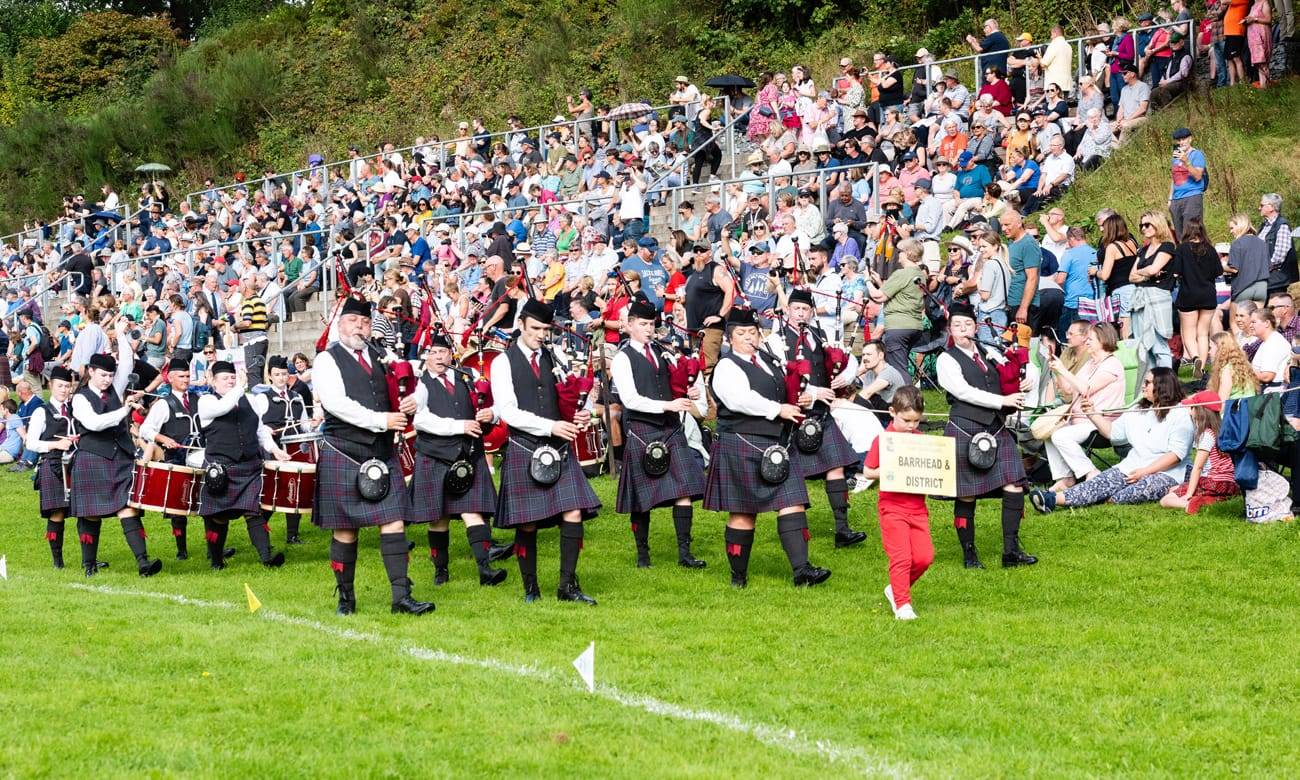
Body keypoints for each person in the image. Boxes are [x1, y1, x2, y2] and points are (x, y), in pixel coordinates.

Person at [312, 296, 434, 616]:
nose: (360, 327)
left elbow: (417, 385)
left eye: (365, 322)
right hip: (345, 451)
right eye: (353, 321)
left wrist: (412, 403)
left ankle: (401, 598)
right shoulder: (327, 359)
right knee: (346, 529)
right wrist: (382, 420)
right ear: (340, 325)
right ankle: (346, 598)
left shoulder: (382, 356)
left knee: (393, 522)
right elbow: (336, 403)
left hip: (381, 452)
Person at [704, 307, 831, 589]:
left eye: (752, 332)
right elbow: (740, 400)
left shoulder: (768, 360)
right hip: (741, 441)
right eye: (741, 333)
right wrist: (778, 410)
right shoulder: (727, 366)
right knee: (742, 512)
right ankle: (738, 576)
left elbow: (786, 389)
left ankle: (802, 571)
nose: (748, 338)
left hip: (776, 443)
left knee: (792, 502)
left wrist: (805, 399)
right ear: (729, 339)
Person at [491, 299, 602, 604]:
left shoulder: (555, 357)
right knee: (527, 521)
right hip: (524, 447)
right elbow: (507, 411)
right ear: (521, 325)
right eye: (536, 328)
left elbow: (575, 394)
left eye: (545, 329)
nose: (541, 335)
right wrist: (550, 426)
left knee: (574, 512)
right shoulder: (502, 363)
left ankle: (567, 586)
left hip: (559, 448)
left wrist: (581, 412)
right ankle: (531, 588)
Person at [936, 303, 1037, 569]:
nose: (962, 330)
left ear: (976, 326)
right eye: (957, 326)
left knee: (1014, 486)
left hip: (996, 428)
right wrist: (1003, 400)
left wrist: (1025, 380)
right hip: (965, 427)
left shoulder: (989, 351)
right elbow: (964, 392)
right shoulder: (946, 359)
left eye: (967, 324)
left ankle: (1011, 551)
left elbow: (1016, 368)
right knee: (966, 495)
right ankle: (969, 554)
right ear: (950, 330)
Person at [610, 300, 708, 569]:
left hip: (670, 427)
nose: (648, 329)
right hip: (642, 428)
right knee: (641, 499)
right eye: (642, 324)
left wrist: (686, 393)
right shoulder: (622, 358)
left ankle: (685, 553)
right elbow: (630, 400)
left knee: (684, 489)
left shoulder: (664, 353)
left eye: (651, 324)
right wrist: (668, 405)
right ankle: (643, 555)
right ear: (629, 326)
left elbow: (673, 384)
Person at [767, 288, 866, 547]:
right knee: (793, 473)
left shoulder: (820, 334)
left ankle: (843, 529)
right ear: (787, 310)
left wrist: (848, 375)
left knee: (836, 467)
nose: (800, 313)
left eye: (805, 309)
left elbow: (847, 357)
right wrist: (812, 391)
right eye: (796, 309)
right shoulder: (778, 341)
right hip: (795, 415)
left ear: (811, 312)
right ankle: (797, 533)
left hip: (822, 414)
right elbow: (780, 376)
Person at [408, 332, 509, 587]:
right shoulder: (419, 384)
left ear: (450, 354)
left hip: (468, 454)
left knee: (473, 511)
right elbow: (420, 420)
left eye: (441, 351)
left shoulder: (468, 376)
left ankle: (485, 569)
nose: (437, 357)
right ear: (425, 357)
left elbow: (496, 402)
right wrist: (460, 426)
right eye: (432, 352)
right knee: (438, 517)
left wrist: (492, 414)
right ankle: (441, 570)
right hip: (435, 455)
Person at [69, 323, 163, 578]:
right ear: (91, 372)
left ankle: (143, 562)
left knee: (128, 507)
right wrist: (124, 410)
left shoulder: (114, 389)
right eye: (103, 375)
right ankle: (89, 565)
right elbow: (94, 424)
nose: (108, 380)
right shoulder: (79, 398)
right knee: (90, 515)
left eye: (111, 376)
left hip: (119, 458)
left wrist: (120, 333)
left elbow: (128, 365)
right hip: (92, 458)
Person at [1032, 368, 1193, 511]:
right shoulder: (1138, 410)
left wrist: (1144, 472)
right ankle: (1050, 500)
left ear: (1163, 386)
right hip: (1132, 466)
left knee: (1121, 496)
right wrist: (1092, 413)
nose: (1143, 385)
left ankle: (1100, 499)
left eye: (1148, 382)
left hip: (1168, 473)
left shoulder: (1180, 414)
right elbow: (1112, 433)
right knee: (1099, 483)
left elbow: (1175, 455)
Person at [197, 361, 290, 570]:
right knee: (218, 518)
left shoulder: (250, 400)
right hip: (220, 469)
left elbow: (260, 430)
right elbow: (224, 407)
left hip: (249, 465)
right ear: (213, 381)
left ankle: (267, 557)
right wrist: (240, 386)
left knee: (254, 510)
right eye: (225, 378)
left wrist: (274, 449)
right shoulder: (206, 401)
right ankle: (216, 560)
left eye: (232, 377)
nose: (230, 381)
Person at [861, 385, 932, 621]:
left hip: (918, 509)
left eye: (916, 421)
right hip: (892, 508)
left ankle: (895, 589)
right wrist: (892, 469)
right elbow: (868, 471)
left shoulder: (921, 440)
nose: (912, 426)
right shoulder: (883, 440)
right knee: (901, 557)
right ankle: (903, 605)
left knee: (924, 557)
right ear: (892, 412)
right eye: (907, 420)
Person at [1042, 322, 1126, 491]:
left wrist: (1063, 370)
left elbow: (1086, 389)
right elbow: (1068, 388)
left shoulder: (1112, 365)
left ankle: (1091, 473)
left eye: (1091, 339)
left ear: (1103, 340)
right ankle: (1065, 478)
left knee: (1060, 436)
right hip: (1079, 421)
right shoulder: (1091, 364)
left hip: (1099, 424)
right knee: (1049, 433)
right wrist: (1057, 369)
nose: (1087, 342)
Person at [138, 358, 205, 560]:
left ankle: (213, 548)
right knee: (178, 508)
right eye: (181, 376)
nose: (185, 380)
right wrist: (162, 438)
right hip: (177, 460)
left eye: (187, 376)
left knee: (209, 505)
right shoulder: (163, 404)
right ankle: (181, 550)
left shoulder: (199, 399)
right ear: (170, 378)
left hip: (201, 456)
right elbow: (145, 429)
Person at [26, 366, 79, 569]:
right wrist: (55, 444)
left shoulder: (75, 409)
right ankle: (58, 561)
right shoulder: (42, 411)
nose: (64, 390)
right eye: (60, 386)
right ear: (50, 386)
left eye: (67, 386)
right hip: (52, 463)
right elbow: (30, 443)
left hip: (76, 462)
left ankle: (88, 560)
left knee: (86, 511)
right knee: (57, 513)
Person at [257, 355, 313, 545]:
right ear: (270, 376)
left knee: (295, 491)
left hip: (296, 450)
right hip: (274, 450)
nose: (281, 378)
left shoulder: (297, 398)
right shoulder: (262, 398)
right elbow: (258, 427)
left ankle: (293, 535)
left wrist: (313, 424)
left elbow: (305, 426)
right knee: (273, 492)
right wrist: (271, 443)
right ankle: (258, 531)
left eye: (284, 374)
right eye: (277, 374)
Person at [1160, 392, 1239, 513]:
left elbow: (1198, 467)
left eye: (1192, 408)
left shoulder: (1207, 435)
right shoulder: (1223, 431)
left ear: (1200, 411)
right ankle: (1213, 499)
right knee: (1173, 489)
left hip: (1212, 482)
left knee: (1166, 500)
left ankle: (1191, 504)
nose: (1190, 412)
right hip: (1229, 483)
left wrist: (1189, 494)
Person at [1173, 217, 1221, 375]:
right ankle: (1201, 368)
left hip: (1188, 295)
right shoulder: (1210, 249)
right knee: (1203, 333)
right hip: (1208, 295)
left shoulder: (1182, 249)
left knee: (1188, 333)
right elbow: (1218, 272)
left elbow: (1176, 272)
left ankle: (1194, 358)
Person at [1130, 210, 1177, 372]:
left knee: (1159, 343)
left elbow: (1153, 269)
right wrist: (1147, 273)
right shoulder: (1143, 250)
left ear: (1158, 224)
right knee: (1143, 344)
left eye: (1147, 224)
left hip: (1158, 296)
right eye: (1141, 225)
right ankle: (1150, 382)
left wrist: (1145, 272)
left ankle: (1166, 380)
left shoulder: (1167, 246)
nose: (1143, 228)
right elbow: (1131, 276)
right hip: (1141, 297)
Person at [873, 238, 926, 380]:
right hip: (914, 326)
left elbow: (879, 296)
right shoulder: (920, 274)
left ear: (908, 253)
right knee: (900, 363)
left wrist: (866, 280)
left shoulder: (901, 273)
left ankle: (910, 400)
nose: (898, 254)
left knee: (898, 369)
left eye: (900, 251)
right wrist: (879, 282)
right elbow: (900, 291)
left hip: (898, 327)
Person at [1097, 213, 1140, 338]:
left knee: (1124, 325)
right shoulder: (1131, 242)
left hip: (1122, 289)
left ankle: (1126, 354)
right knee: (1137, 324)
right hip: (1136, 287)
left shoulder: (1112, 247)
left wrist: (1095, 272)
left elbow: (1105, 275)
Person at [1168, 128, 1207, 239]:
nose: (1181, 142)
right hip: (1176, 199)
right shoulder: (1175, 157)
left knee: (1192, 233)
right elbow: (1174, 178)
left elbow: (1198, 176)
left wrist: (1186, 162)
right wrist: (1170, 199)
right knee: (1180, 236)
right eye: (1179, 140)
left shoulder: (1197, 154)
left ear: (1190, 139)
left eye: (1184, 139)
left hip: (1192, 196)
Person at [1260, 194, 1297, 295]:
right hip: (1265, 277)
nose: (1259, 208)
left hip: (1276, 279)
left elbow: (1280, 254)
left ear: (1271, 207)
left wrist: (1264, 268)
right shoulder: (1264, 226)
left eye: (1261, 205)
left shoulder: (1282, 225)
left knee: (1275, 307)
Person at [1208, 330, 1261, 399]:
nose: (1209, 352)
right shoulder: (1242, 365)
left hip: (1237, 408)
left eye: (1210, 348)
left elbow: (1222, 403)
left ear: (1220, 349)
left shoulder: (1226, 370)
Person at [1248, 308, 1290, 388]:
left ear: (1267, 323)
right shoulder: (1268, 341)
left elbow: (1266, 376)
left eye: (1253, 322)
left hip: (1273, 394)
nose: (1250, 326)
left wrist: (1244, 371)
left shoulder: (1274, 342)